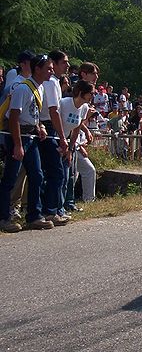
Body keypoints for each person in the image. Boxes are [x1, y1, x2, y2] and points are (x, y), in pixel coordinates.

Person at [0, 55, 55, 232]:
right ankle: (3, 217)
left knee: (37, 175)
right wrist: (17, 144)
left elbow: (33, 114)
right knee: (10, 178)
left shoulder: (40, 88)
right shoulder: (23, 88)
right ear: (37, 69)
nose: (51, 71)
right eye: (48, 68)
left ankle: (34, 216)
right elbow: (14, 116)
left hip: (30, 137)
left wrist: (40, 127)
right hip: (18, 136)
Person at [38, 50, 70, 226]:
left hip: (51, 127)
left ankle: (54, 208)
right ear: (55, 63)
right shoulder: (50, 83)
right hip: (47, 127)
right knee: (55, 171)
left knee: (53, 171)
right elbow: (53, 111)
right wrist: (62, 136)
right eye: (64, 62)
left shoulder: (56, 82)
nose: (67, 65)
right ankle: (50, 211)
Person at [59, 80, 94, 213]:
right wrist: (62, 142)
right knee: (60, 175)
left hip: (69, 142)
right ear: (81, 93)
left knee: (70, 174)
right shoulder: (64, 103)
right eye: (90, 93)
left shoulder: (84, 108)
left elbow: (76, 129)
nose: (92, 96)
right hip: (57, 139)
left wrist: (71, 148)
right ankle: (58, 206)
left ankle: (69, 203)